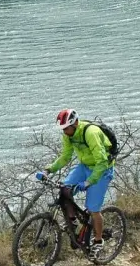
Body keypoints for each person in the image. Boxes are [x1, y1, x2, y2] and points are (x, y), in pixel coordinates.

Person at [36, 109, 115, 256]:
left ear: (75, 123)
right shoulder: (68, 136)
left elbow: (102, 162)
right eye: (62, 129)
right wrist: (48, 170)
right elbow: (65, 156)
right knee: (65, 189)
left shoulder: (90, 133)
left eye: (66, 128)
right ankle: (73, 222)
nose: (65, 132)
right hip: (84, 167)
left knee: (93, 209)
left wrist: (88, 182)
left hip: (102, 170)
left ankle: (98, 241)